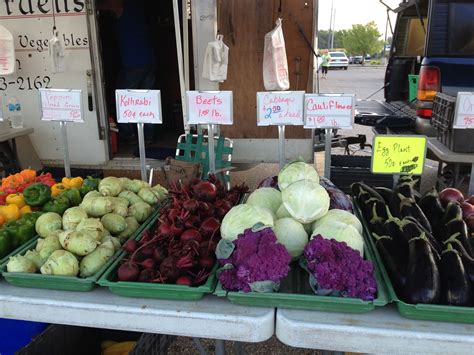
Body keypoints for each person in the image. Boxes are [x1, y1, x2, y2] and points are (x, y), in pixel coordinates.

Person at [99, 0, 156, 143]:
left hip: (133, 61)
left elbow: (92, 6)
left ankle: (127, 133)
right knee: (146, 98)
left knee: (122, 97)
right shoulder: (137, 6)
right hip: (149, 59)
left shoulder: (119, 5)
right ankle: (148, 134)